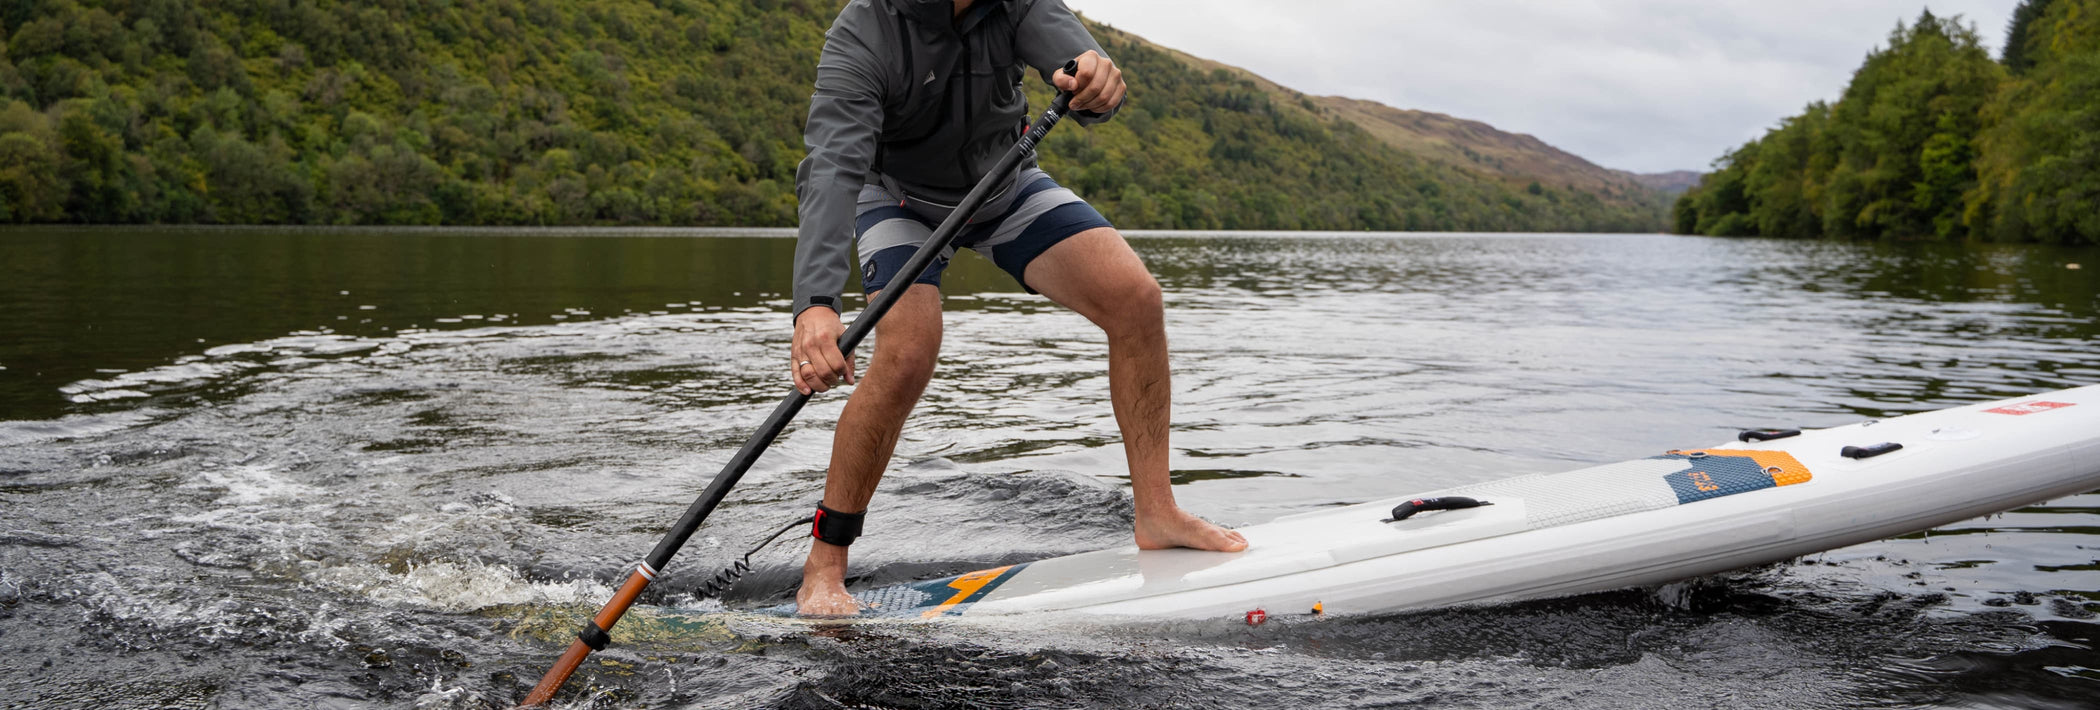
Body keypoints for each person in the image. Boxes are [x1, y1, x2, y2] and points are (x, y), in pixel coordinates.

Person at [786, 0, 1247, 616]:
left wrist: (1096, 82)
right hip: (897, 199)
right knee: (906, 355)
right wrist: (815, 305)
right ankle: (824, 568)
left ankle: (1158, 513)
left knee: (1137, 301)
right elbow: (833, 167)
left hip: (1003, 184)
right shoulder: (864, 30)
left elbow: (1081, 65)